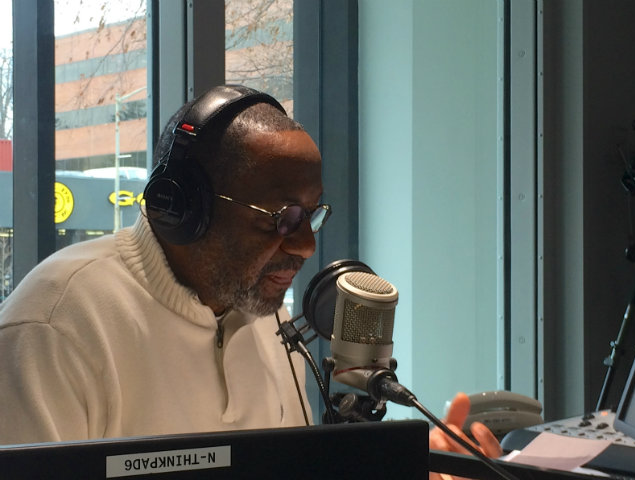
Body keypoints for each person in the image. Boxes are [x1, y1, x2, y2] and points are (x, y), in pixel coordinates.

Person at [0, 84, 501, 468]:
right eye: (282, 218)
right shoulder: (53, 327)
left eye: (312, 216)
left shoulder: (268, 320)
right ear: (183, 208)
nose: (306, 246)